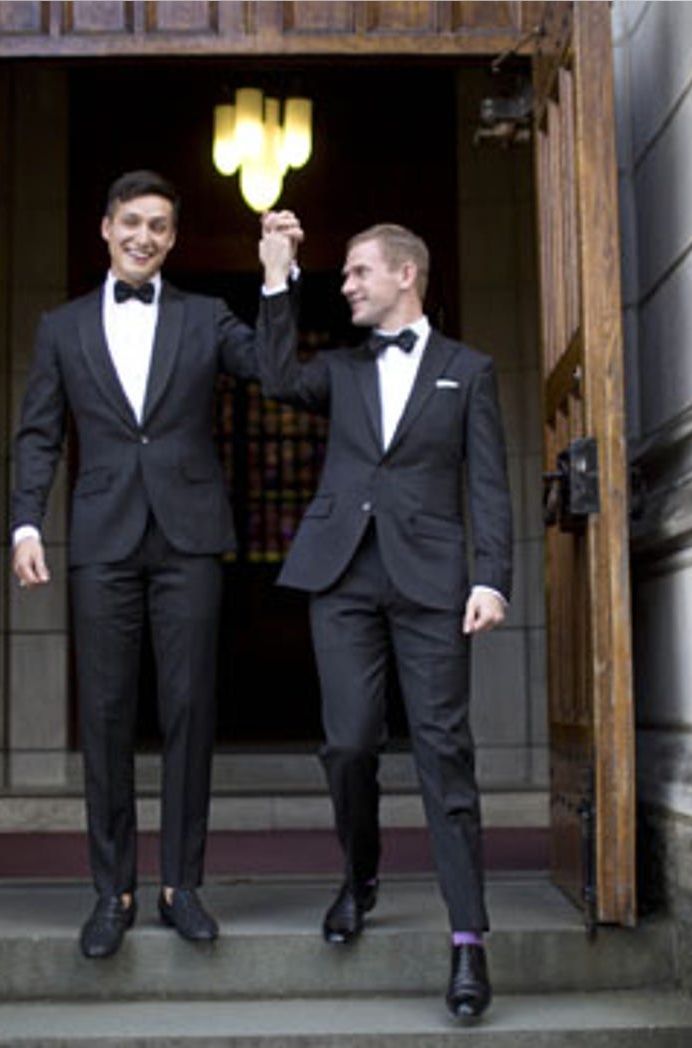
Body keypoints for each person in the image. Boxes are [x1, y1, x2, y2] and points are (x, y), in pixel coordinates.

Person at [254, 215, 512, 1020]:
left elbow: (489, 487)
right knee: (349, 741)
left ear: (406, 275)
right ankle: (359, 875)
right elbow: (273, 377)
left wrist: (491, 578)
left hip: (433, 583)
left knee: (444, 754)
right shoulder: (341, 368)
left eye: (360, 272)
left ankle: (468, 941)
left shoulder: (468, 371)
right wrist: (275, 275)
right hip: (343, 578)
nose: (348, 284)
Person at [11, 170, 264, 959]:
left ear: (173, 238)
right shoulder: (61, 328)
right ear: (105, 227)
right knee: (109, 717)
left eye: (158, 225)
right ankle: (111, 891)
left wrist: (280, 279)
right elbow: (38, 434)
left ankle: (181, 886)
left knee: (190, 713)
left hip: (188, 538)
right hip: (103, 541)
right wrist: (26, 524)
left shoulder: (205, 316)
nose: (144, 236)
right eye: (131, 222)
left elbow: (270, 368)